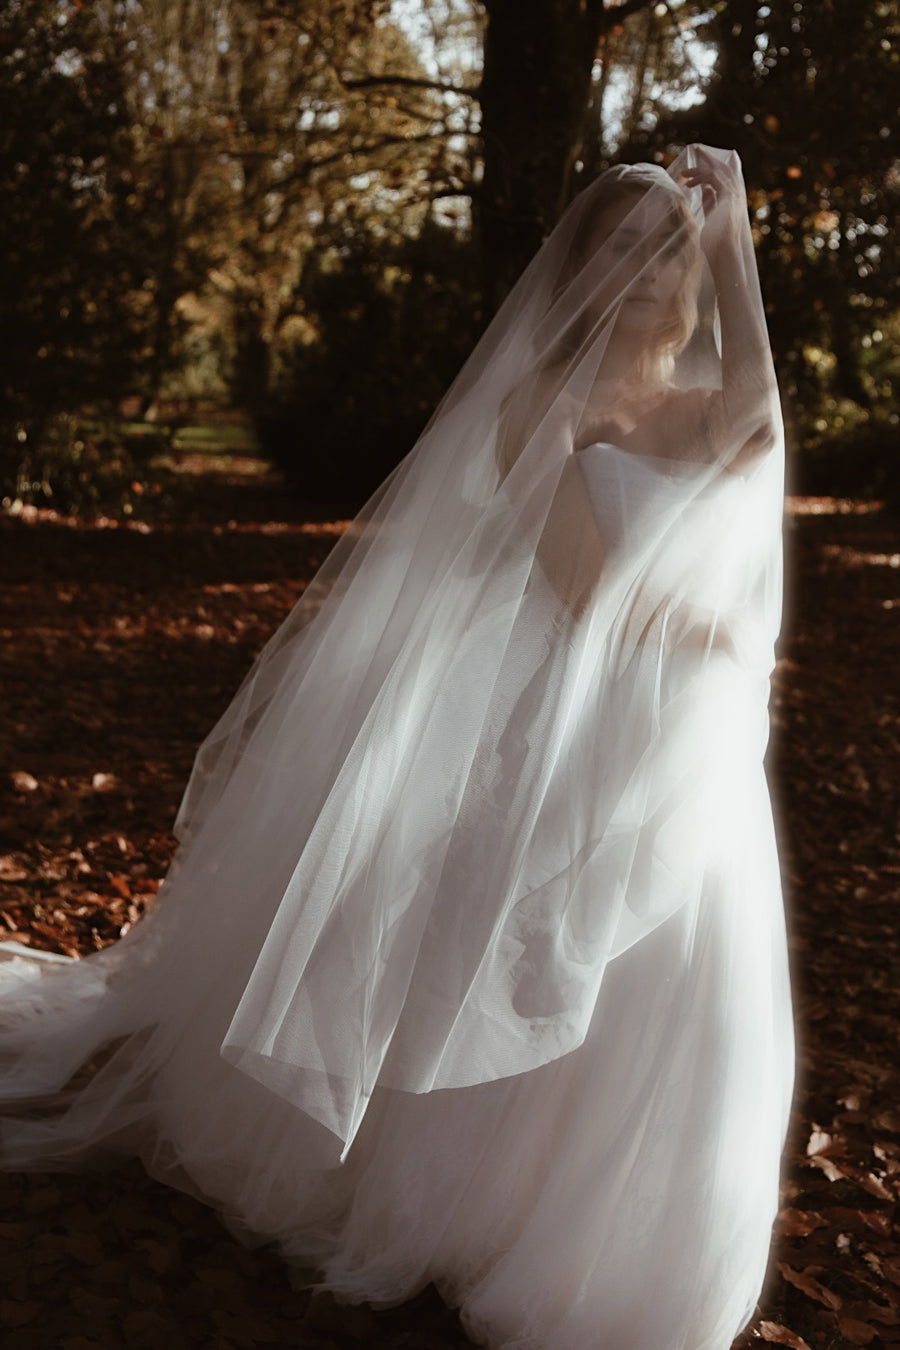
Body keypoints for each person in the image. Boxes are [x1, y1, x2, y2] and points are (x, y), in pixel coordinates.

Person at [0, 144, 793, 1350]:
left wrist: (732, 236)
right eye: (620, 244)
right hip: (561, 723)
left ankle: (607, 1239)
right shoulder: (544, 403)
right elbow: (581, 594)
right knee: (524, 946)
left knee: (672, 972)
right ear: (578, 265)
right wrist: (717, 632)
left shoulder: (688, 406)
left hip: (673, 740)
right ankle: (472, 1209)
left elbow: (760, 428)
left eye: (665, 247)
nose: (643, 266)